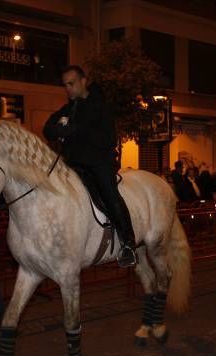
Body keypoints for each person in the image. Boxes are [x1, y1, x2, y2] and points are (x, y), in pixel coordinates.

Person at [43, 65, 138, 267]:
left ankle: (128, 243)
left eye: (72, 83)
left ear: (83, 81)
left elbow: (109, 139)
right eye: (65, 85)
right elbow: (47, 129)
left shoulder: (100, 106)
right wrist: (58, 129)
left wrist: (77, 130)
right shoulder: (69, 108)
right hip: (72, 165)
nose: (68, 88)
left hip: (98, 163)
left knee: (110, 195)